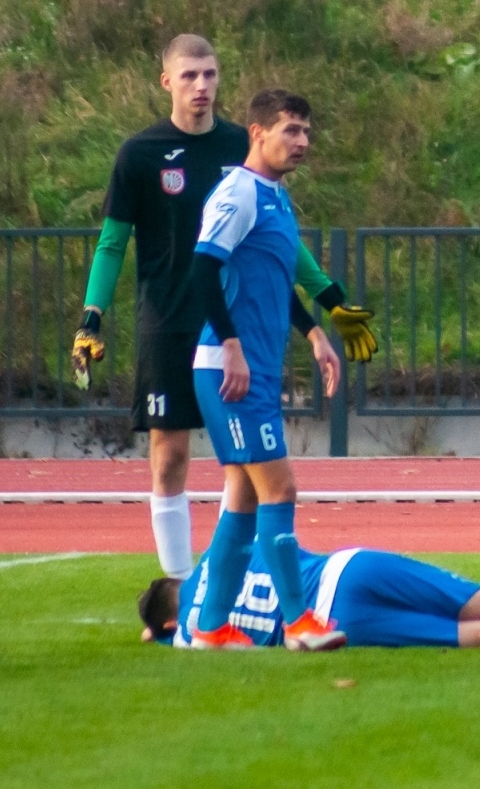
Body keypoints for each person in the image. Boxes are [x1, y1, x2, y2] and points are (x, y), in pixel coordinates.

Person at [71, 35, 375, 583]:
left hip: (231, 319)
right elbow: (112, 242)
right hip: (169, 316)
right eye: (189, 76)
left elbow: (281, 244)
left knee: (244, 469)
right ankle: (179, 585)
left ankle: (221, 590)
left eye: (210, 75)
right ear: (167, 81)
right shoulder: (139, 154)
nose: (202, 86)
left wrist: (329, 304)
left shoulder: (244, 144)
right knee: (170, 457)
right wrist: (91, 315)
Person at [186, 89, 346, 652]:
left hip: (250, 369)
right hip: (230, 371)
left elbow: (276, 281)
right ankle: (300, 623)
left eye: (306, 132)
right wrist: (230, 344)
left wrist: (316, 334)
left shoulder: (275, 197)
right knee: (281, 487)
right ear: (258, 132)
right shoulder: (239, 193)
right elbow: (204, 270)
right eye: (290, 131)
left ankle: (208, 628)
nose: (301, 142)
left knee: (245, 498)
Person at [138, 546, 480, 651]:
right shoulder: (216, 554)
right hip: (350, 566)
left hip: (333, 622)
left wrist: (155, 636)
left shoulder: (188, 634)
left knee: (469, 636)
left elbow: (163, 638)